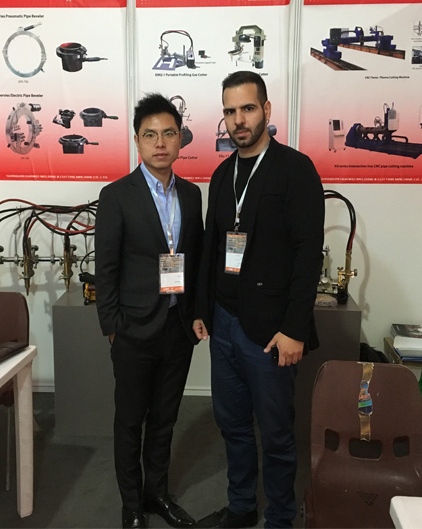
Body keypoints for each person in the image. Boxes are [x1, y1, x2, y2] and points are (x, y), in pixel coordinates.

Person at [193, 71, 324, 528]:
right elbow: (213, 247)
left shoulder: (296, 170)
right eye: (230, 111)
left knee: (276, 434)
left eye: (247, 109)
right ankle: (242, 506)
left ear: (266, 110)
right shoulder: (221, 174)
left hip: (271, 332)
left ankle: (281, 519)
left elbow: (308, 256)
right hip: (225, 323)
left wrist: (294, 329)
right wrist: (202, 309)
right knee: (232, 425)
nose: (238, 120)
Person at [95, 93, 203, 529]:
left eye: (168, 134)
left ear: (180, 139)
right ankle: (131, 505)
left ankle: (156, 493)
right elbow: (106, 268)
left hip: (177, 327)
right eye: (150, 135)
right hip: (133, 330)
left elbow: (195, 259)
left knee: (165, 418)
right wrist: (113, 326)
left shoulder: (192, 195)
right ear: (137, 141)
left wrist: (196, 313)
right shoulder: (116, 196)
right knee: (129, 421)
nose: (160, 143)